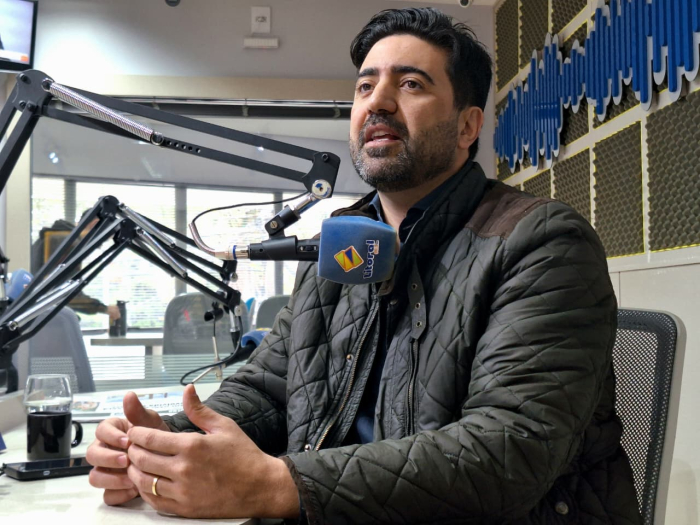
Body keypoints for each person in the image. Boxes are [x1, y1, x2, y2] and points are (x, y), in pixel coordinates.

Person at [86, 8, 641, 524]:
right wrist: (169, 443)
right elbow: (270, 389)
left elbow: (508, 451)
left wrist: (281, 484)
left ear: (468, 127)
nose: (378, 102)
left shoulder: (541, 243)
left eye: (411, 84)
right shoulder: (341, 243)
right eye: (364, 86)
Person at [31, 215, 121, 322]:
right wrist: (103, 308)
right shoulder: (68, 243)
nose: (99, 246)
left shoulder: (57, 238)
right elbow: (65, 293)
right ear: (94, 224)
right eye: (102, 241)